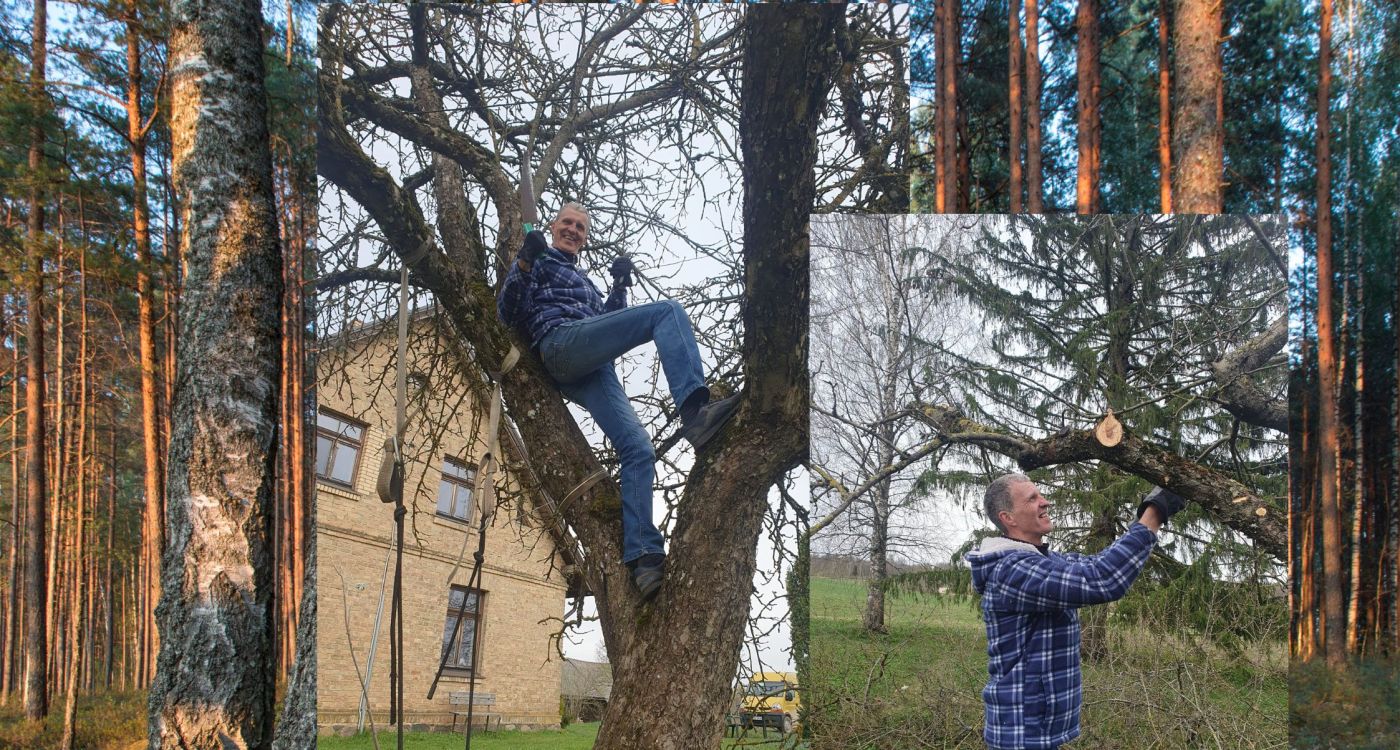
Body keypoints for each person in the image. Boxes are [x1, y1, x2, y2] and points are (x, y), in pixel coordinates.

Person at [497, 202, 738, 601]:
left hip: (594, 364)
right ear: (555, 227)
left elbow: (607, 320)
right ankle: (696, 410)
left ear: (585, 237)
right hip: (560, 343)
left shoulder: (584, 280)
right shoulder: (540, 259)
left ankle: (643, 558)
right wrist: (524, 261)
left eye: (580, 227)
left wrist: (620, 286)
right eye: (567, 223)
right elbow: (507, 312)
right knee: (667, 312)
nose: (573, 230)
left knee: (639, 448)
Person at [965, 474, 1186, 750]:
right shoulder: (1011, 570)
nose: (1045, 502)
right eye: (1032, 498)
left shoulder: (1043, 560)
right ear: (1008, 518)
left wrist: (1144, 514)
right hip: (1021, 733)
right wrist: (1155, 512)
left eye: (1040, 494)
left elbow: (1098, 564)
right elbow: (1101, 580)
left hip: (1033, 730)